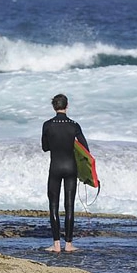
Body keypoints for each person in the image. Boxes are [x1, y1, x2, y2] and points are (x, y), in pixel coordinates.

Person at [41, 94, 89, 253]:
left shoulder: (47, 125)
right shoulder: (74, 125)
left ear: (53, 107)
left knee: (53, 206)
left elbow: (45, 147)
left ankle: (56, 245)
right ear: (67, 106)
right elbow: (85, 150)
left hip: (55, 168)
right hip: (71, 168)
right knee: (69, 206)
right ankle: (68, 245)